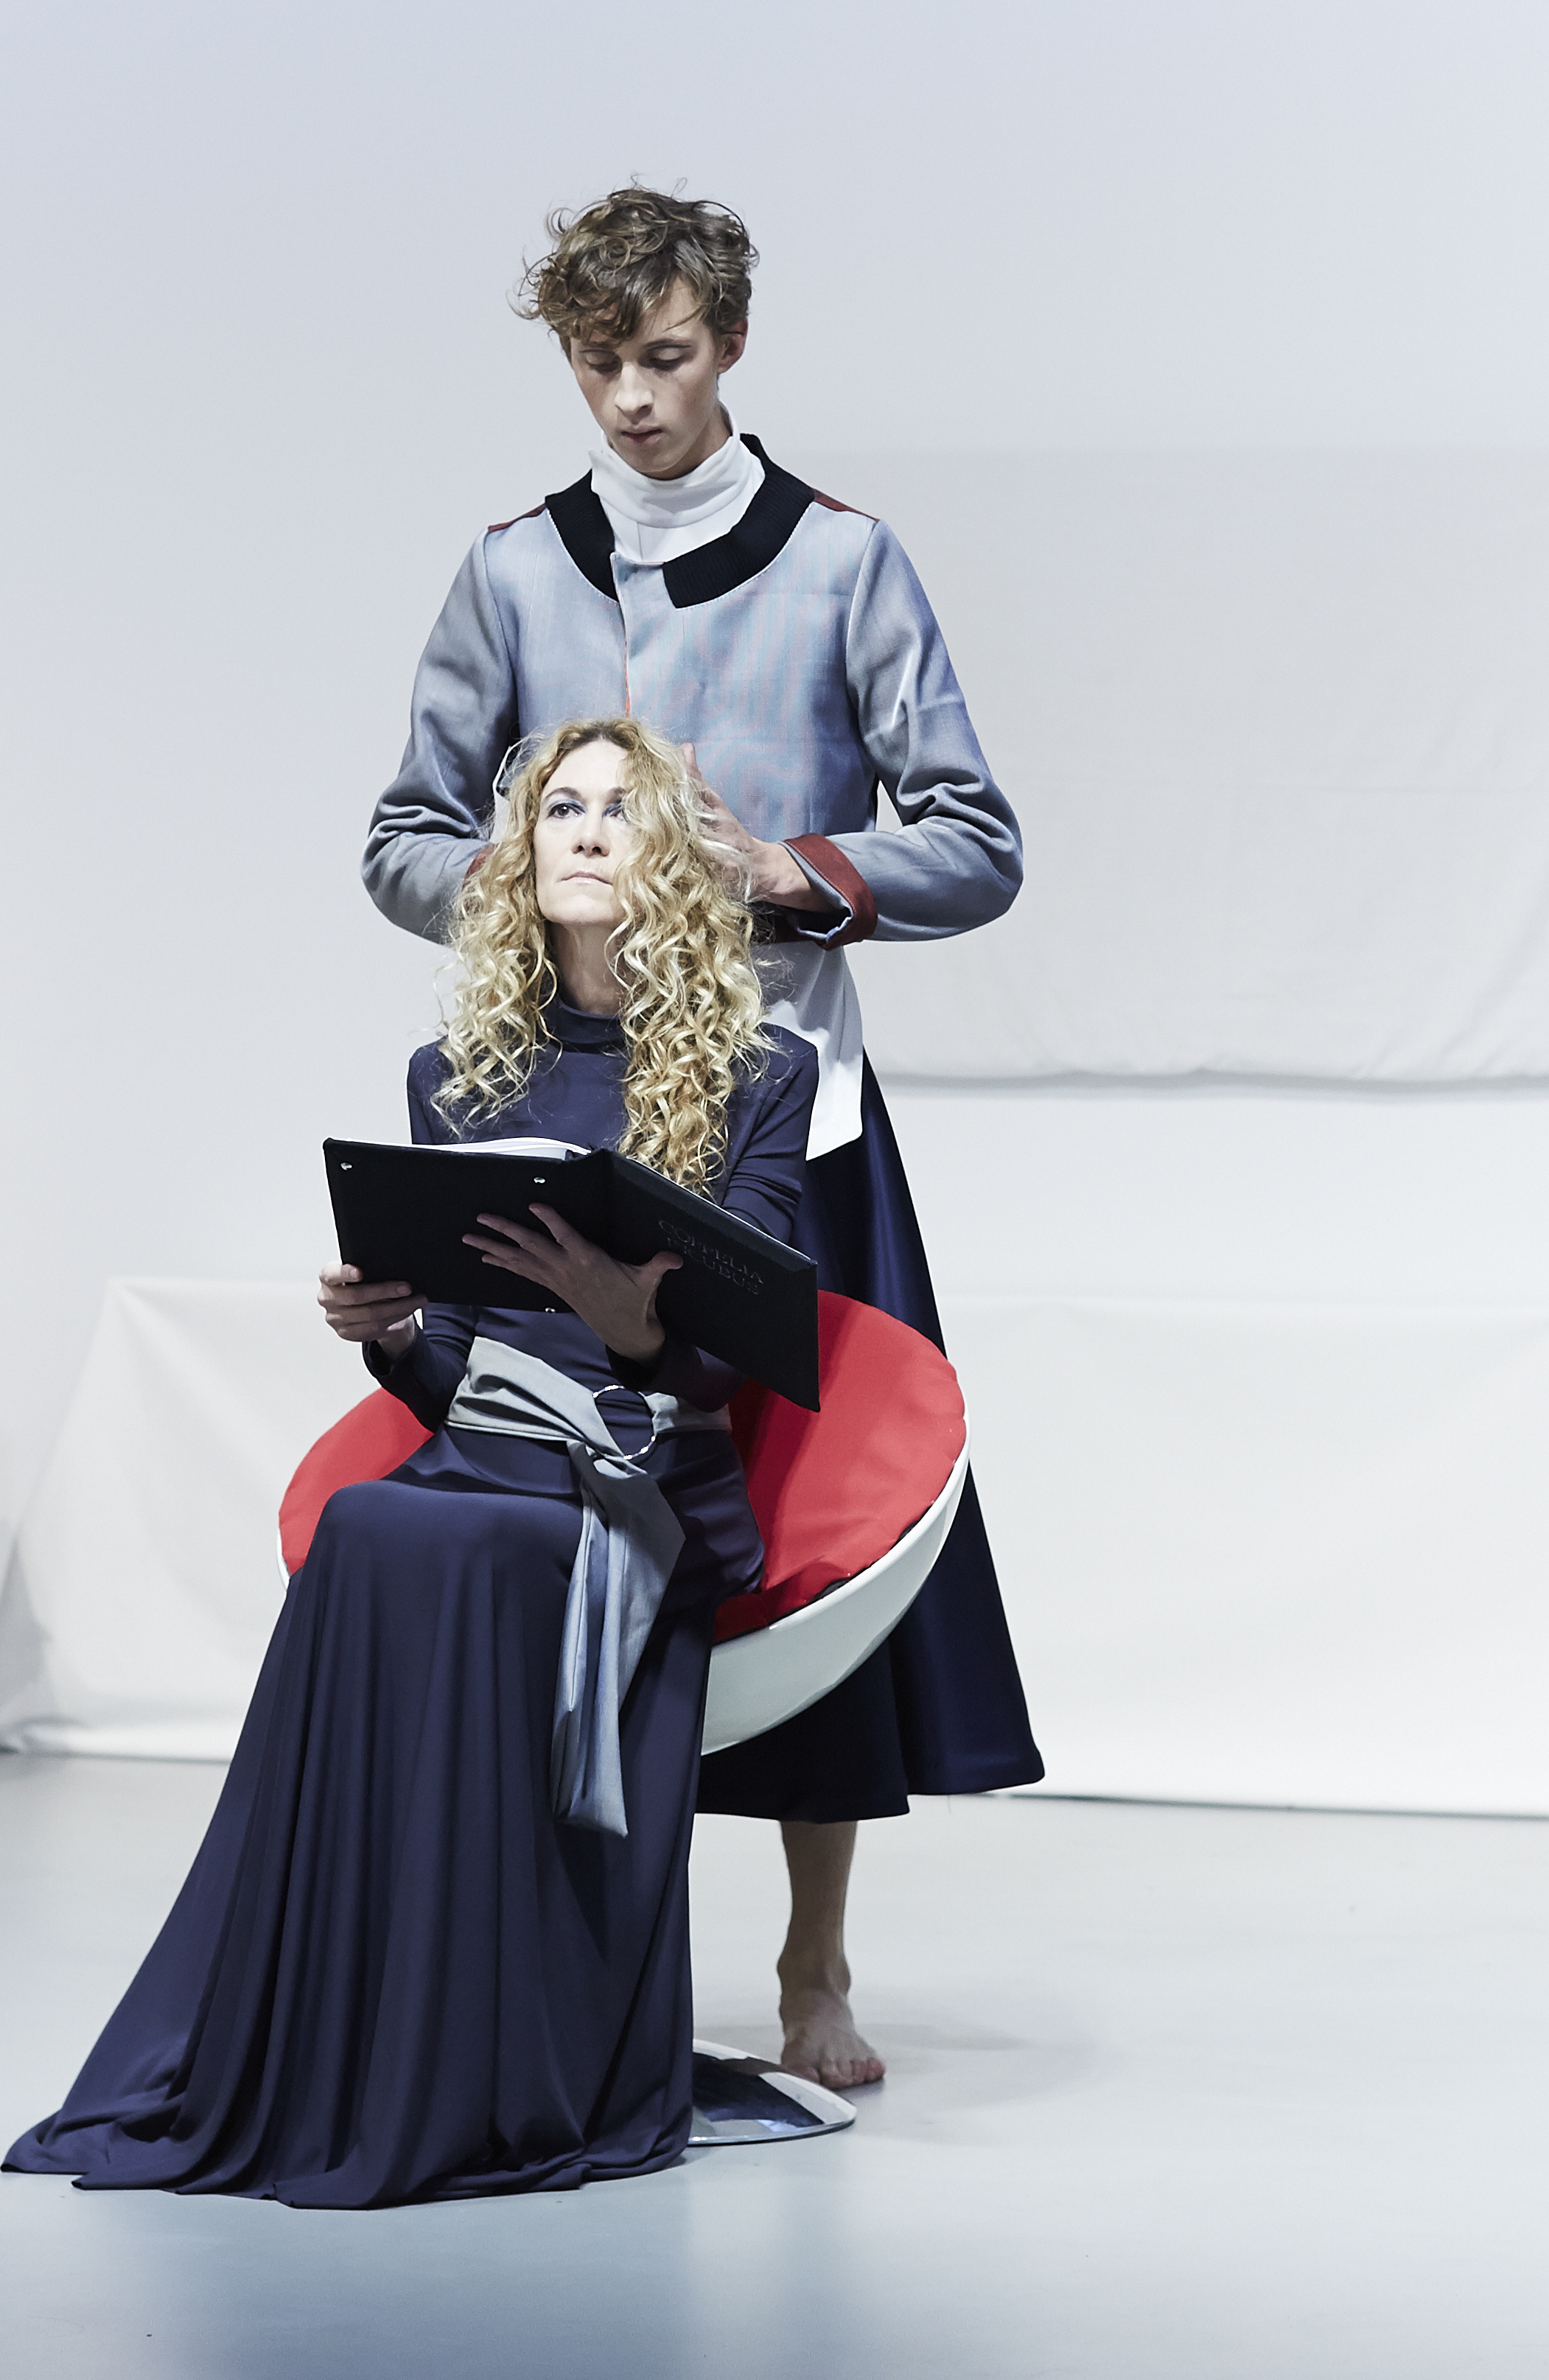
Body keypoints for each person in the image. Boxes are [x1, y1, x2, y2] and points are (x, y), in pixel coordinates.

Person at [363, 186, 1044, 2093]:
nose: (630, 398)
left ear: (729, 342)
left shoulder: (843, 564)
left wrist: (779, 871)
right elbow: (401, 832)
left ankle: (814, 1957)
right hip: (562, 1114)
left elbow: (976, 840)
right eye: (596, 363)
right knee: (553, 1500)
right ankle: (571, 1945)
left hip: (784, 1116)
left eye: (662, 357)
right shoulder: (509, 571)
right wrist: (535, 879)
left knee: (809, 1528)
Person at [3, 717, 817, 2207]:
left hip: (635, 1478)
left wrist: (629, 1322)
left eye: (618, 810)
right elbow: (456, 1373)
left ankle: (481, 2051)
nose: (583, 830)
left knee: (428, 1536)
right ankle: (347, 2029)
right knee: (376, 1522)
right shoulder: (455, 1074)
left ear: (672, 856)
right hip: (484, 1459)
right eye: (557, 807)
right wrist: (387, 1335)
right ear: (519, 851)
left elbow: (742, 1356)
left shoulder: (761, 1072)